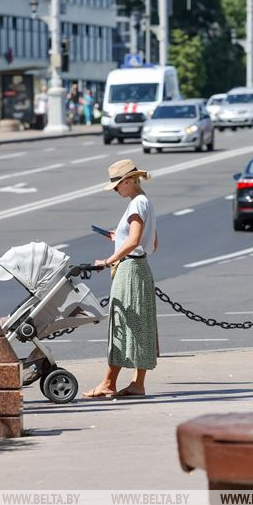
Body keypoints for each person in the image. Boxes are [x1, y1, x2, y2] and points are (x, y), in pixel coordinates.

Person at [84, 159, 159, 398]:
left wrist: (109, 260)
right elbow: (152, 243)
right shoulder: (145, 201)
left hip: (129, 270)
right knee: (138, 325)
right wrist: (120, 239)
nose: (116, 190)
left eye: (117, 185)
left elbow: (134, 241)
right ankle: (136, 383)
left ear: (128, 181)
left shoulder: (136, 205)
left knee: (122, 323)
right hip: (141, 267)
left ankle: (109, 383)